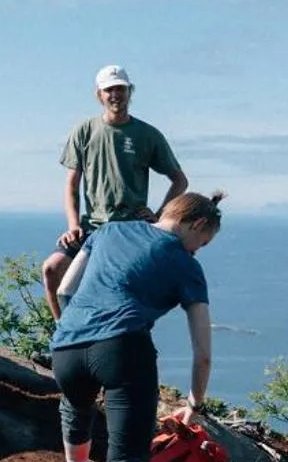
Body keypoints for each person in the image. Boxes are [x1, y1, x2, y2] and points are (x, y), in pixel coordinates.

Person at [49, 189, 224, 462]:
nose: (197, 250)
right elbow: (202, 350)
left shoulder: (111, 229)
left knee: (76, 410)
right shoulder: (186, 265)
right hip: (124, 349)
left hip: (67, 344)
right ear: (197, 226)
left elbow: (66, 285)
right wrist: (194, 404)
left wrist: (73, 331)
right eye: (201, 242)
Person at [41, 65, 187, 316]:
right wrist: (73, 224)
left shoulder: (147, 135)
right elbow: (72, 184)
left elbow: (179, 180)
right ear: (99, 95)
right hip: (93, 226)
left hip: (129, 228)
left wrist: (161, 217)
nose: (115, 95)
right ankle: (62, 332)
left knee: (123, 290)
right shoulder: (84, 131)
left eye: (120, 88)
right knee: (52, 269)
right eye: (109, 90)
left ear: (130, 92)